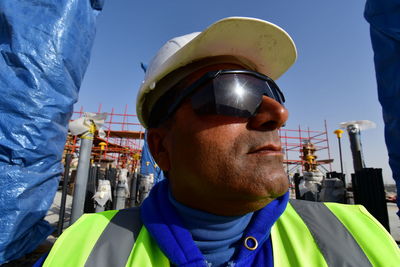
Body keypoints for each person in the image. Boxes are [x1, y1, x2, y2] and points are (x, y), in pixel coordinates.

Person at [42, 17, 400, 267]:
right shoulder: (82, 250)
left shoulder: (358, 233)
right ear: (161, 147)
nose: (278, 113)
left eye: (270, 92)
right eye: (232, 91)